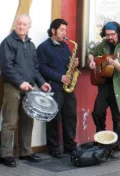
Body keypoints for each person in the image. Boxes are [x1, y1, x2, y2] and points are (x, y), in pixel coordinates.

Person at [0, 14, 51, 167]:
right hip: (13, 86)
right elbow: (7, 67)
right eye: (19, 23)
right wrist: (20, 82)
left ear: (29, 27)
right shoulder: (7, 43)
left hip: (29, 87)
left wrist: (41, 83)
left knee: (28, 120)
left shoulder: (31, 45)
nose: (21, 26)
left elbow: (35, 68)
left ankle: (26, 152)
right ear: (15, 24)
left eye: (24, 24)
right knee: (9, 121)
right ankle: (6, 154)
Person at [88, 21, 120, 156]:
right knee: (97, 113)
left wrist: (118, 65)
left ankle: (117, 147)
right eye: (107, 35)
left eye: (112, 34)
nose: (109, 37)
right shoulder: (104, 44)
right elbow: (91, 52)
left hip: (119, 87)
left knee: (117, 118)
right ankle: (102, 141)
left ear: (118, 33)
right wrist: (92, 61)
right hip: (104, 85)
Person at [37, 18, 78, 158]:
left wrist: (73, 65)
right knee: (53, 118)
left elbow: (67, 65)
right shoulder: (43, 47)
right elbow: (42, 68)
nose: (64, 33)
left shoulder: (65, 46)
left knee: (70, 116)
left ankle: (70, 146)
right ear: (53, 30)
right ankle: (53, 148)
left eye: (65, 30)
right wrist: (59, 77)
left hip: (68, 87)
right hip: (54, 86)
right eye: (62, 30)